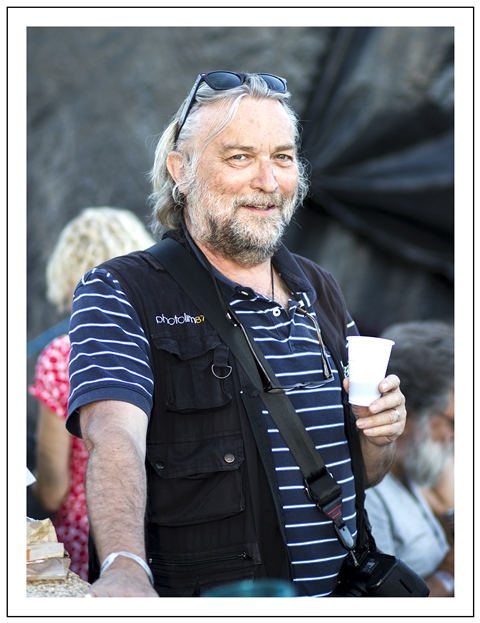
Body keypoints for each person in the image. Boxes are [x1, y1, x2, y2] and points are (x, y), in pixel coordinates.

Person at [66, 71, 406, 598]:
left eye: (283, 157)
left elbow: (366, 473)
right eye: (240, 157)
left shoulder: (320, 288)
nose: (268, 181)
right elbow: (114, 435)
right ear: (181, 170)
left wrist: (379, 435)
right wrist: (124, 564)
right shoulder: (121, 289)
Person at [28, 207, 154, 580]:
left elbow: (52, 491)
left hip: (89, 547)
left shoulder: (61, 356)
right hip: (160, 537)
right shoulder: (159, 345)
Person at [364, 320, 454, 596]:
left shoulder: (415, 466)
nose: (453, 436)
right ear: (410, 412)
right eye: (451, 422)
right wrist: (449, 577)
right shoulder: (370, 493)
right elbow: (383, 607)